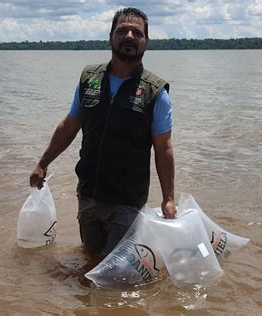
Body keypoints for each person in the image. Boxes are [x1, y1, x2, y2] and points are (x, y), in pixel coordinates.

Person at [30, 7, 176, 257]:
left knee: (115, 274)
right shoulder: (90, 79)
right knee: (90, 258)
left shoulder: (155, 92)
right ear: (110, 38)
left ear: (146, 42)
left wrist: (168, 198)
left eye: (137, 33)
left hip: (127, 202)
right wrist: (42, 164)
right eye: (122, 30)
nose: (129, 36)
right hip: (88, 193)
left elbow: (164, 149)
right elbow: (69, 126)